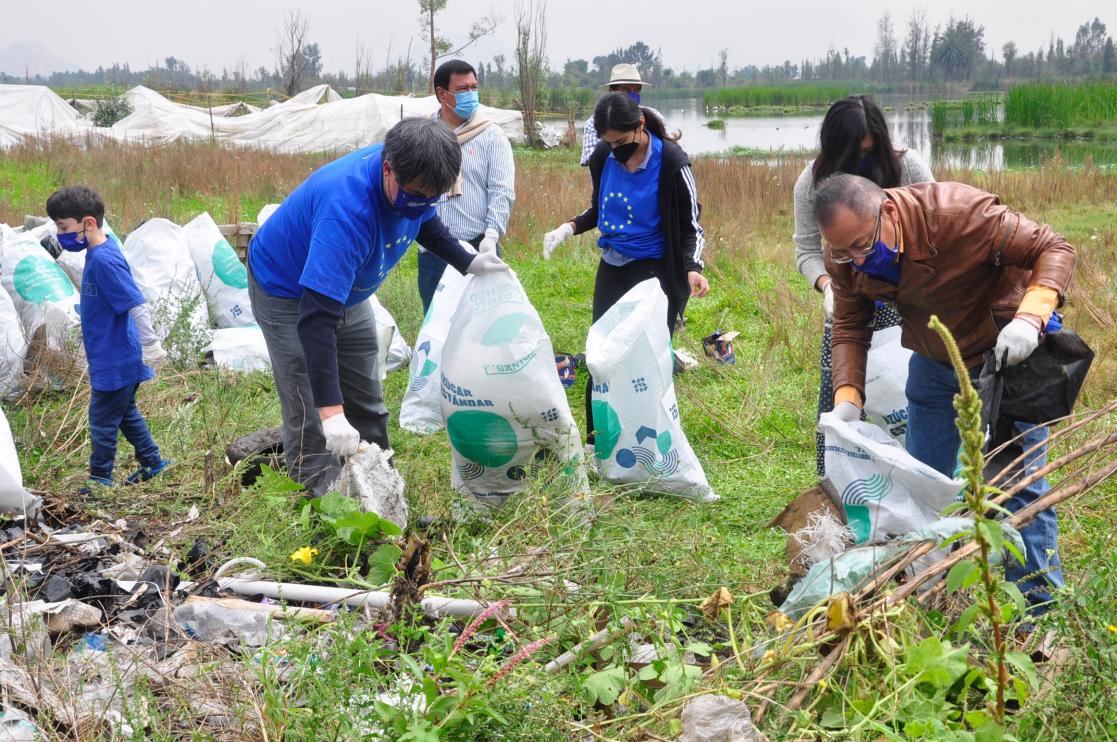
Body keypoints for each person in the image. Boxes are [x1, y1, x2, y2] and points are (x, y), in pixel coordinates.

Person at [816, 173, 1076, 612]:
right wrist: (847, 397)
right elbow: (848, 326)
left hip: (1007, 351)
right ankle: (929, 593)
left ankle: (1039, 612)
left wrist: (1030, 317)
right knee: (922, 484)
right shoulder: (842, 255)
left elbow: (1053, 248)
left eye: (863, 245)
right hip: (935, 362)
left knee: (1014, 487)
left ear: (890, 212)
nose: (856, 260)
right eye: (843, 252)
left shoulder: (957, 214)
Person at [248, 118, 510, 495]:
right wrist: (332, 413)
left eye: (431, 197)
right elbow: (317, 321)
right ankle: (320, 507)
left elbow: (425, 220)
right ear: (388, 169)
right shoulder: (347, 210)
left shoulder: (413, 177)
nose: (421, 204)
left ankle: (380, 487)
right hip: (286, 291)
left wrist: (466, 261)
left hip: (346, 289)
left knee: (366, 395)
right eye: (416, 194)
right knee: (308, 407)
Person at [544, 92, 709, 447]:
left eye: (621, 141)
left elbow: (691, 227)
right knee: (602, 356)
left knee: (648, 360)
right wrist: (568, 228)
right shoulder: (604, 157)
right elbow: (598, 210)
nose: (614, 149)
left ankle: (651, 440)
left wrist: (692, 268)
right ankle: (594, 442)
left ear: (640, 126)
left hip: (656, 274)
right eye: (608, 142)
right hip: (614, 266)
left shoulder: (671, 163)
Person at [793, 94, 934, 477]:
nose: (861, 166)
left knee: (907, 391)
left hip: (907, 299)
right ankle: (836, 483)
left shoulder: (908, 168)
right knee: (840, 393)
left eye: (869, 154)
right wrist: (827, 286)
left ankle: (911, 477)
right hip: (848, 298)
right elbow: (806, 249)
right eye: (851, 158)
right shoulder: (811, 182)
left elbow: (935, 228)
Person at [46, 186, 170, 492]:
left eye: (63, 228)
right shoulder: (101, 249)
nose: (61, 234)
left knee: (101, 421)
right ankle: (154, 463)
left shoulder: (104, 260)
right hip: (114, 354)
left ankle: (100, 480)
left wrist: (152, 345)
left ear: (88, 222)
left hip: (115, 359)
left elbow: (134, 301)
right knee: (126, 414)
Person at [416, 59, 515, 312]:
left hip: (479, 245)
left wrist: (492, 236)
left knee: (485, 322)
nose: (471, 94)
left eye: (474, 87)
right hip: (434, 251)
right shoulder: (423, 135)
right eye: (462, 89)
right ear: (442, 94)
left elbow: (501, 190)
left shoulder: (491, 135)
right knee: (437, 319)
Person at [580, 63, 680, 167]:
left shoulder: (654, 115)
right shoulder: (594, 122)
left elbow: (670, 151)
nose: (632, 95)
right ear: (611, 91)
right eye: (625, 90)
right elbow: (590, 160)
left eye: (636, 90)